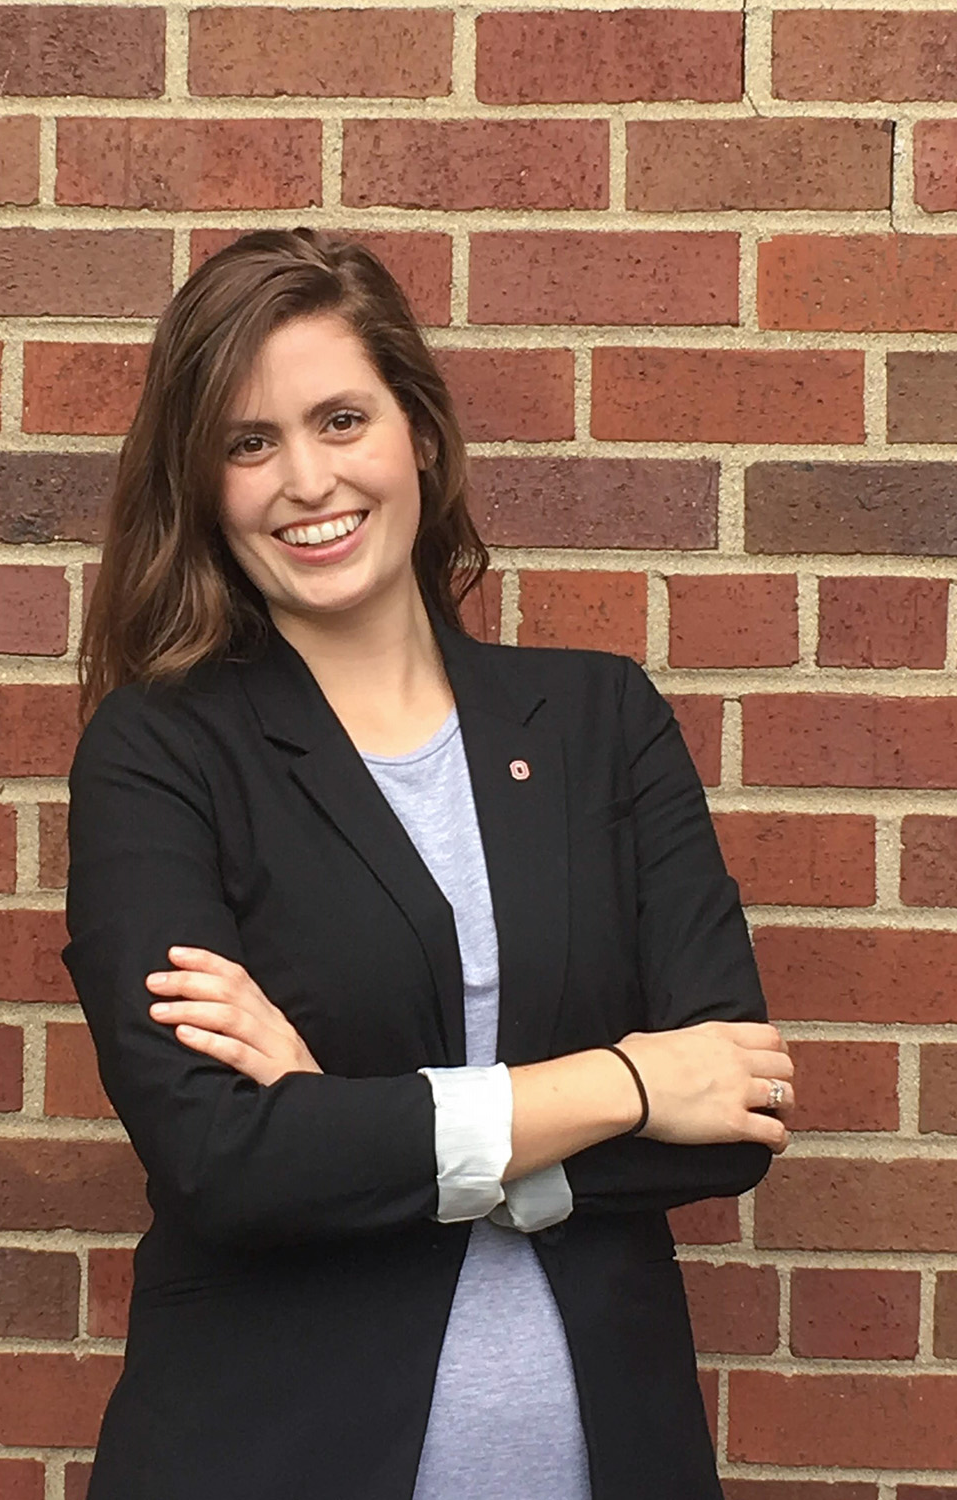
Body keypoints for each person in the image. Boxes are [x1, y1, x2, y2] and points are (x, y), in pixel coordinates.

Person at [63, 227, 794, 1500]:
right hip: (264, 1459)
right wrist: (623, 1080)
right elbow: (225, 1164)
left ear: (419, 434)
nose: (305, 478)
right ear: (205, 484)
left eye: (340, 418)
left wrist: (345, 1117)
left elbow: (727, 1114)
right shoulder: (161, 752)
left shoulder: (600, 723)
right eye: (249, 443)